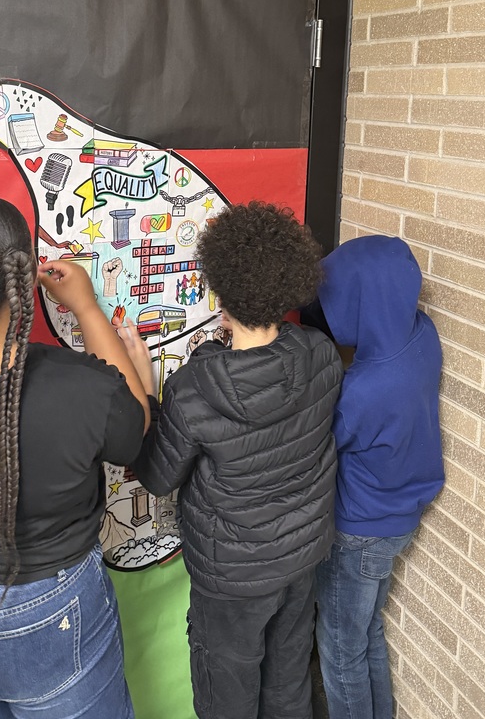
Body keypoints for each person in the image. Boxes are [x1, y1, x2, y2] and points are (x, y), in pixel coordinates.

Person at [120, 201, 343, 719]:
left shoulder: (195, 389)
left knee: (227, 699)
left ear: (218, 290)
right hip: (302, 559)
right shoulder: (321, 355)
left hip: (232, 579)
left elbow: (157, 477)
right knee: (288, 687)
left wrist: (149, 393)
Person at [0, 195, 152, 719]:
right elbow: (135, 430)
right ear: (25, 280)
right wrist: (85, 307)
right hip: (46, 612)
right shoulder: (82, 390)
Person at [303, 235, 444, 719]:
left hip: (358, 531)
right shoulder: (422, 337)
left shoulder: (364, 389)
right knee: (367, 634)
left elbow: (322, 443)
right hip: (401, 516)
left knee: (341, 648)